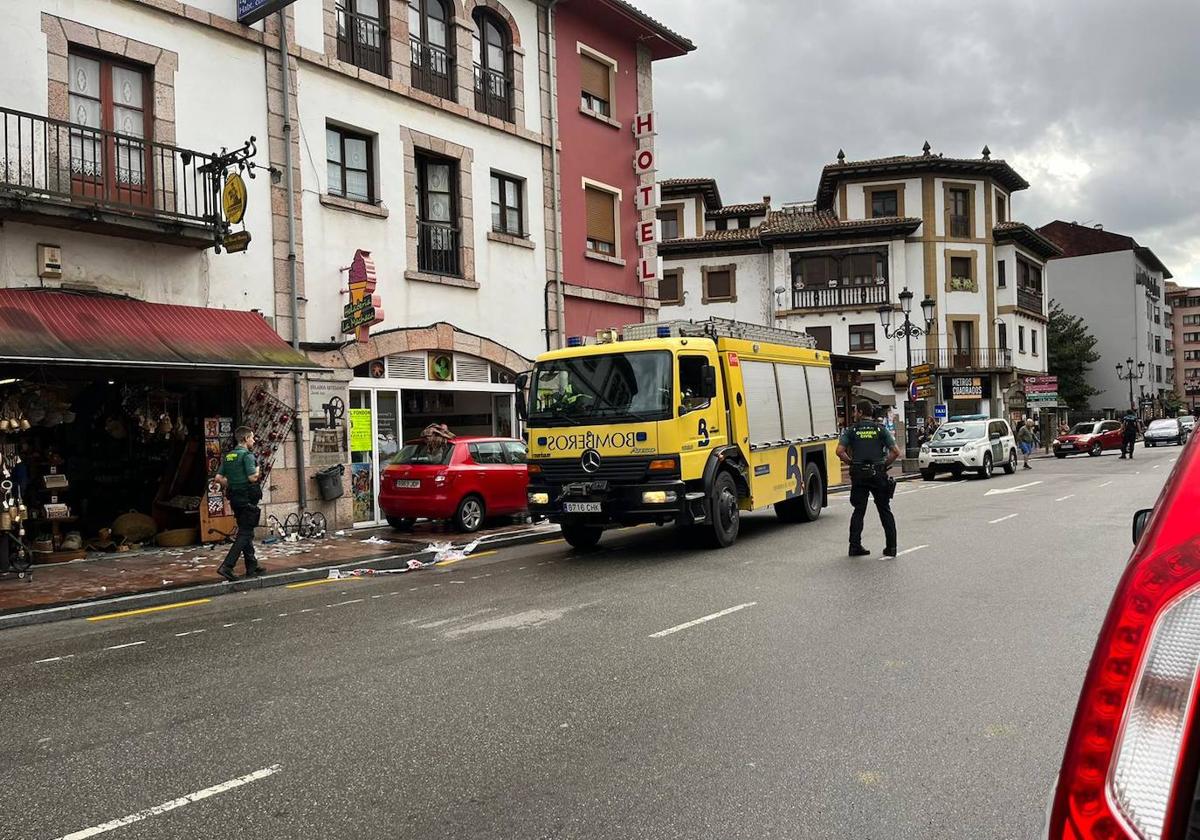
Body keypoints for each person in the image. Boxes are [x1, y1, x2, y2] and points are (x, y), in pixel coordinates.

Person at [837, 399, 902, 558]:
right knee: (885, 510)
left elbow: (839, 451)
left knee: (859, 510)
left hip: (859, 474)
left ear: (860, 412)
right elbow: (895, 451)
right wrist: (884, 465)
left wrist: (851, 463)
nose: (853, 414)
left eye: (855, 411)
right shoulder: (881, 430)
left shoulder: (852, 431)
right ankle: (891, 547)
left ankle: (854, 546)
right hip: (878, 474)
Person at [215, 426, 263, 581]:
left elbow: (218, 478)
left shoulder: (229, 456)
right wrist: (258, 468)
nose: (253, 440)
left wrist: (231, 482)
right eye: (252, 437)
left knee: (245, 528)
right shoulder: (247, 456)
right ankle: (227, 566)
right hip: (247, 497)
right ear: (245, 439)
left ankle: (252, 565)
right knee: (245, 533)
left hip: (235, 498)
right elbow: (252, 478)